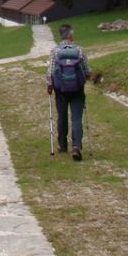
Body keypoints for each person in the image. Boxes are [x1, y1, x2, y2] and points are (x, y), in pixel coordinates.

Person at [47, 23, 92, 160]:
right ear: (71, 35)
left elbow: (50, 72)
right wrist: (86, 78)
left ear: (60, 35)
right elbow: (87, 71)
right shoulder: (80, 50)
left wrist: (49, 85)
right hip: (77, 89)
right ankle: (76, 146)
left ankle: (62, 145)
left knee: (62, 115)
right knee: (77, 117)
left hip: (60, 89)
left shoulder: (55, 51)